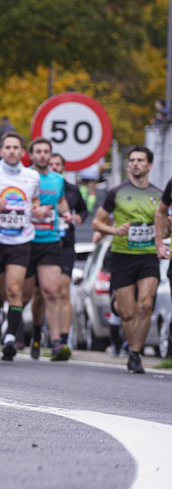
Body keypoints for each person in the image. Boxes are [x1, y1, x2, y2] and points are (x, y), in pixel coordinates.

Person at [94, 147, 161, 374]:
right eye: (131, 160)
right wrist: (114, 230)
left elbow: (165, 227)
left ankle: (135, 353)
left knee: (146, 305)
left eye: (140, 160)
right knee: (127, 312)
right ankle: (132, 347)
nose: (134, 164)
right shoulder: (117, 192)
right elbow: (97, 222)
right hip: (122, 256)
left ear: (149, 165)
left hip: (148, 255)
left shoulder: (159, 194)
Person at [0, 132, 41, 361]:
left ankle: (9, 339)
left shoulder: (32, 177)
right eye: (7, 147)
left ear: (22, 152)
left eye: (16, 147)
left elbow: (34, 200)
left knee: (14, 290)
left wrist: (36, 209)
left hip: (20, 240)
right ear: (1, 151)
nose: (11, 151)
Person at [25, 137, 71, 361]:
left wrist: (67, 213)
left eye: (46, 152)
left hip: (50, 241)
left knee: (51, 292)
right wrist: (33, 211)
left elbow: (60, 200)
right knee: (27, 296)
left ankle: (55, 342)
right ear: (31, 155)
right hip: (25, 241)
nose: (42, 155)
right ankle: (35, 332)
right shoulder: (24, 177)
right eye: (38, 151)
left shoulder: (57, 179)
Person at [49, 153, 88, 350]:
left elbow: (83, 209)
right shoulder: (39, 186)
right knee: (44, 292)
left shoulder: (72, 190)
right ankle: (40, 333)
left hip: (66, 244)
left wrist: (80, 217)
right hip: (44, 243)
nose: (54, 167)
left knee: (63, 291)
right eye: (51, 164)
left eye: (58, 164)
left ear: (63, 168)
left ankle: (63, 340)